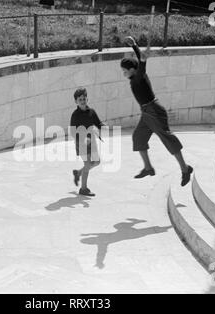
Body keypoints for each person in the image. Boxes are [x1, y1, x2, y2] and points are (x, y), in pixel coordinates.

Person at [121, 36, 193, 186]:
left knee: (167, 139)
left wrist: (137, 49)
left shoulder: (139, 77)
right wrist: (134, 46)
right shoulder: (136, 78)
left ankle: (185, 169)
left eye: (124, 71)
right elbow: (140, 62)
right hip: (147, 113)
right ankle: (148, 168)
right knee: (138, 137)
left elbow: (142, 63)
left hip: (154, 111)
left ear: (132, 69)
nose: (123, 73)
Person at [70, 87, 106, 197]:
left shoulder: (91, 112)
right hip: (81, 143)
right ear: (76, 101)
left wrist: (103, 127)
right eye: (80, 99)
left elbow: (98, 123)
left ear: (87, 99)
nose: (82, 101)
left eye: (84, 99)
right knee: (87, 164)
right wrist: (82, 139)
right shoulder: (75, 115)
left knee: (97, 162)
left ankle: (78, 173)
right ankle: (83, 189)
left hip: (91, 141)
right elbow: (72, 132)